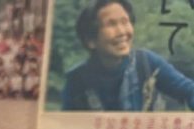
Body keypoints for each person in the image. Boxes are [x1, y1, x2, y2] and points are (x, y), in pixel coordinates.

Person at [62, 0, 194, 111]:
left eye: (125, 22)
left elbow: (188, 90)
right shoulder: (76, 80)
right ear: (90, 40)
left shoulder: (146, 62)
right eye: (111, 24)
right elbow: (66, 126)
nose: (122, 31)